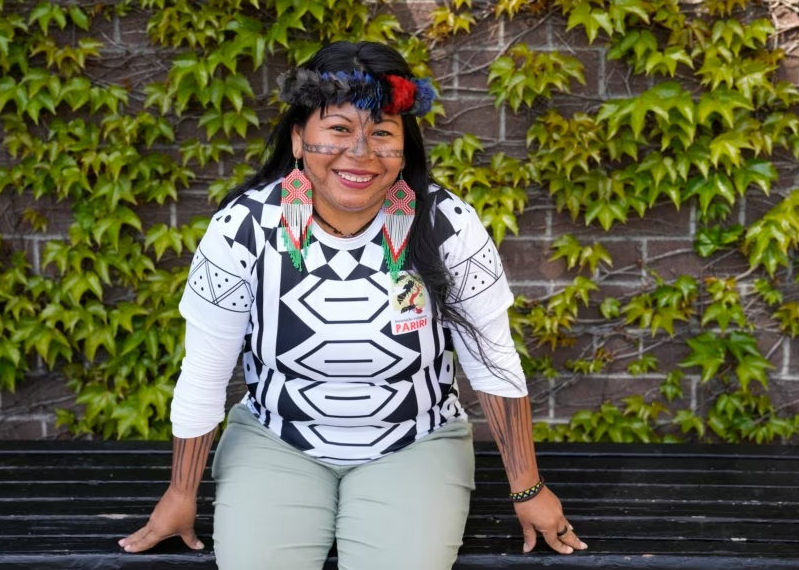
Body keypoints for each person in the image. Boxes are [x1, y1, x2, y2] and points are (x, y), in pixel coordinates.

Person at [119, 40, 588, 570]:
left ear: (404, 146)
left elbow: (491, 356)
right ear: (299, 138)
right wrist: (182, 494)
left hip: (417, 441)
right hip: (277, 438)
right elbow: (206, 370)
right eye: (339, 130)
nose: (361, 154)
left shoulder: (446, 223)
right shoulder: (242, 228)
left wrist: (528, 489)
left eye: (383, 133)